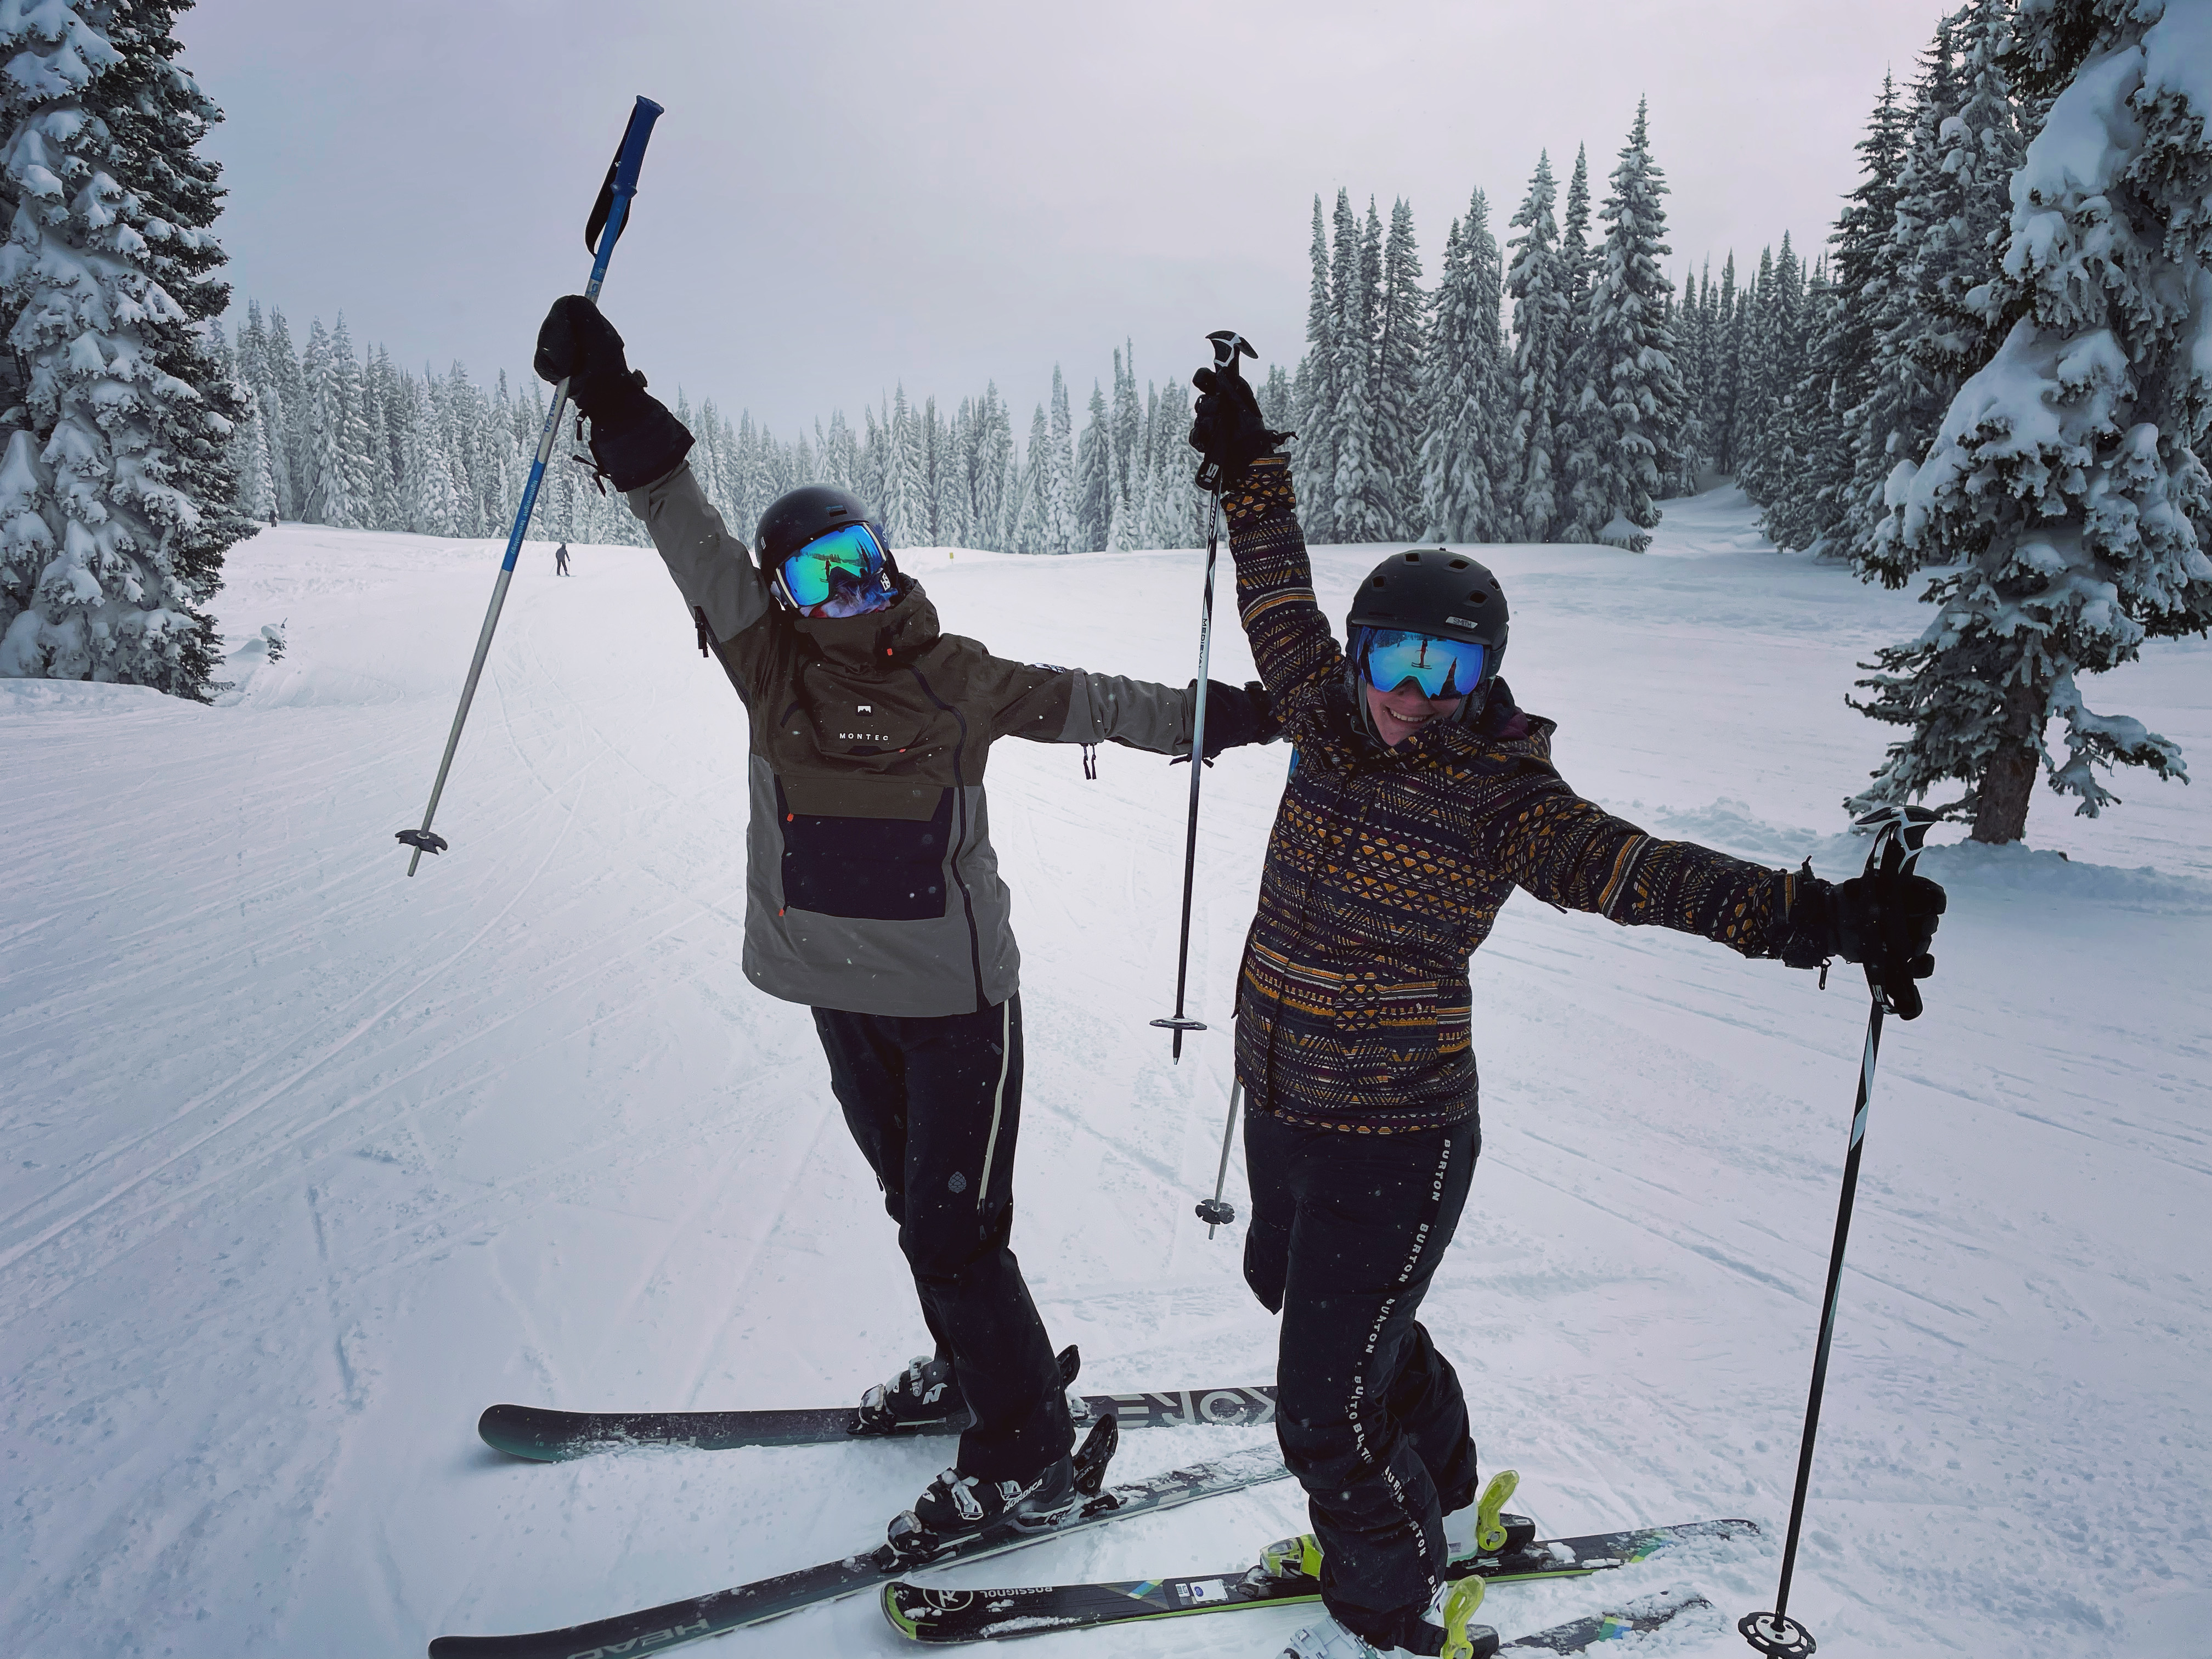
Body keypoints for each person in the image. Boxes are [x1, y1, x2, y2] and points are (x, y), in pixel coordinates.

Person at [1186, 366, 1945, 1659]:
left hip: (1399, 1133)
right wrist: (1253, 470)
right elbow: (1272, 588)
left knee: (1318, 1412)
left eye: (1452, 666)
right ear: (1362, 655)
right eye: (1398, 659)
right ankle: (1442, 1482)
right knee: (1289, 1286)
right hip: (1285, 1097)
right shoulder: (1318, 705)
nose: (1415, 691)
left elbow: (1645, 874)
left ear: (1487, 676)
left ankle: (1387, 1598)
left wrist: (1820, 919)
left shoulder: (1504, 796)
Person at [531, 295, 1280, 1551]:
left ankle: (1026, 1448)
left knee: (950, 1221)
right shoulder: (767, 666)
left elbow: (1098, 700)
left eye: (866, 560)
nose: (854, 591)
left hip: (955, 1008)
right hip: (840, 991)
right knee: (916, 1210)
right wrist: (609, 393)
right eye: (823, 576)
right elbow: (678, 514)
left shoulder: (955, 676)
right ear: (786, 594)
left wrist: (1242, 716)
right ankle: (982, 1363)